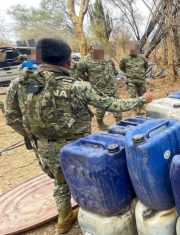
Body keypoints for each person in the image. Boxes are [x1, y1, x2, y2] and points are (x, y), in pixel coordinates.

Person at [5, 38, 153, 234]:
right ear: (68, 61)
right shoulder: (77, 86)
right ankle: (90, 209)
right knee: (87, 176)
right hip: (78, 146)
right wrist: (143, 99)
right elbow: (111, 104)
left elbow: (11, 117)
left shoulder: (19, 83)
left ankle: (64, 219)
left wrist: (31, 135)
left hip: (43, 145)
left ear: (39, 58)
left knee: (59, 182)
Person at [76, 45, 122, 129]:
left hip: (112, 87)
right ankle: (100, 123)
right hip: (99, 89)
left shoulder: (108, 59)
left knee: (117, 105)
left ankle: (120, 123)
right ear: (91, 51)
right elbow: (79, 73)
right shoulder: (84, 61)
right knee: (101, 108)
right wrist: (90, 80)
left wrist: (112, 77)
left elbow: (114, 71)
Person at [119, 42, 148, 114]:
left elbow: (146, 66)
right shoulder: (124, 58)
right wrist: (129, 74)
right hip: (131, 81)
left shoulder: (142, 57)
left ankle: (141, 109)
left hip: (141, 80)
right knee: (132, 96)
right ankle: (134, 111)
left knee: (142, 95)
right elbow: (122, 67)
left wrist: (141, 74)